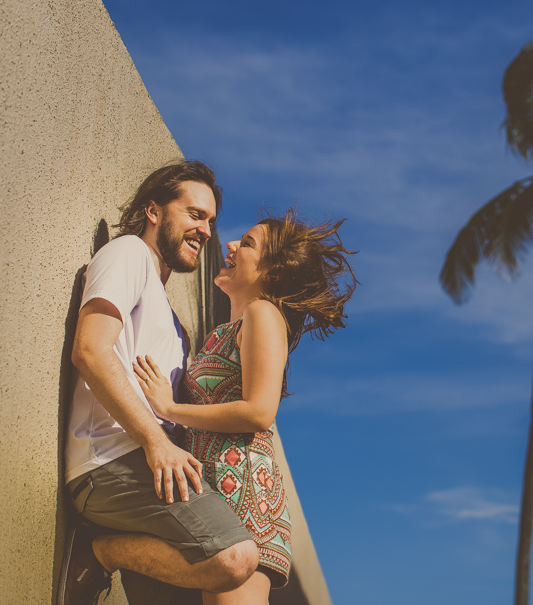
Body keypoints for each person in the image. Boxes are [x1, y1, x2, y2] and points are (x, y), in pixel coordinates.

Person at [131, 209, 357, 603]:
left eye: (248, 244)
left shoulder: (263, 313)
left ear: (272, 274)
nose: (231, 245)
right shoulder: (224, 332)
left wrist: (168, 408)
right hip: (219, 495)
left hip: (245, 501)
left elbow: (259, 412)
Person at [59, 161, 259, 605]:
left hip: (153, 476)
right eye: (194, 214)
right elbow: (91, 349)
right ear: (154, 211)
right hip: (111, 463)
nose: (205, 230)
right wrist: (155, 440)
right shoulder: (128, 253)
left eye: (210, 220)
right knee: (235, 557)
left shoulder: (174, 324)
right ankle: (100, 551)